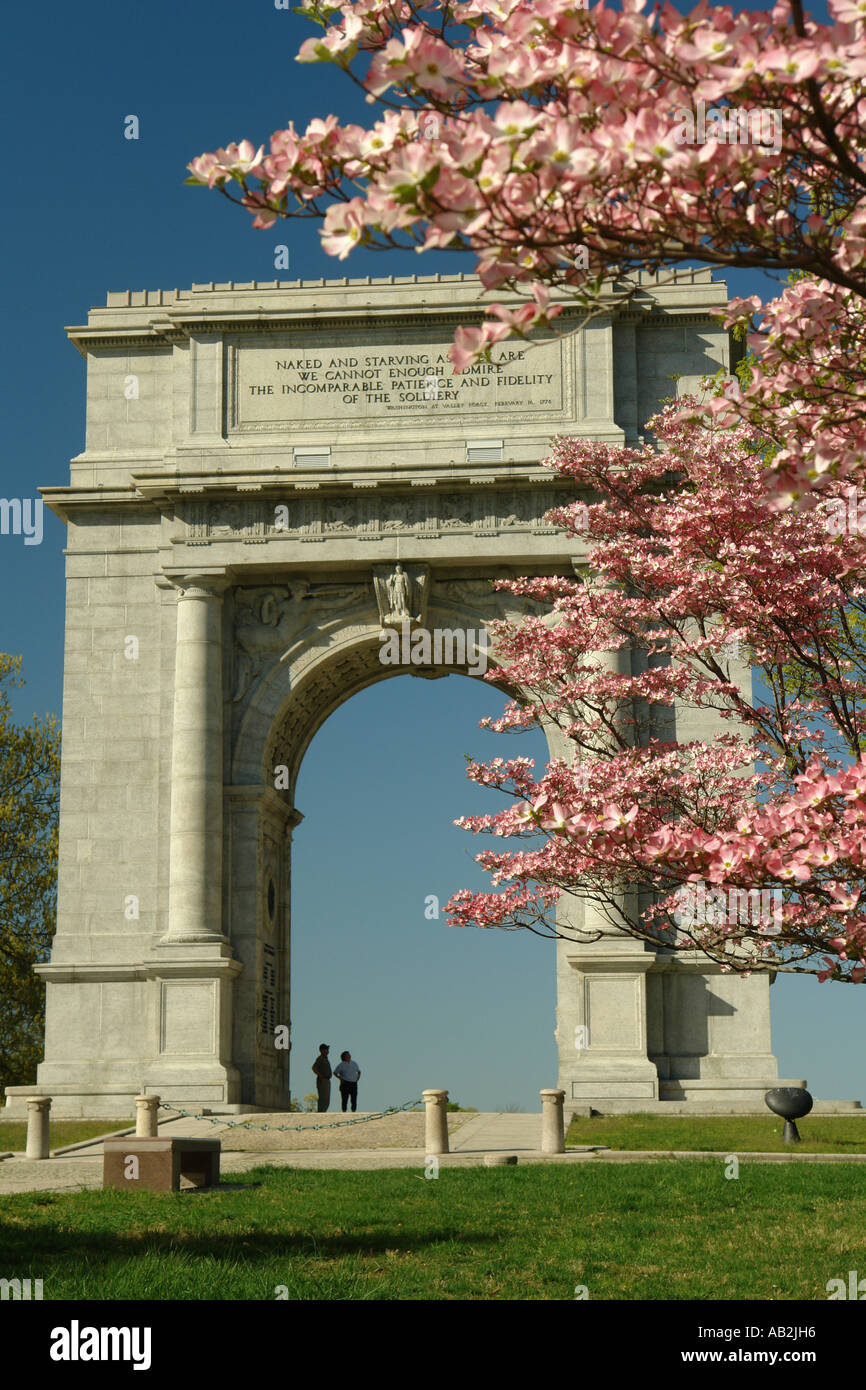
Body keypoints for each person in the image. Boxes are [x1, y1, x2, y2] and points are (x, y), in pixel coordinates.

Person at [312, 1043, 331, 1112]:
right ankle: (320, 1112)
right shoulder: (320, 1058)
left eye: (327, 1049)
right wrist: (320, 1076)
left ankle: (323, 1111)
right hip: (322, 1080)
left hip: (327, 1080)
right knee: (323, 1097)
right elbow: (314, 1068)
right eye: (326, 1049)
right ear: (321, 1050)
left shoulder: (325, 1058)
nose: (327, 1051)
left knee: (327, 1099)